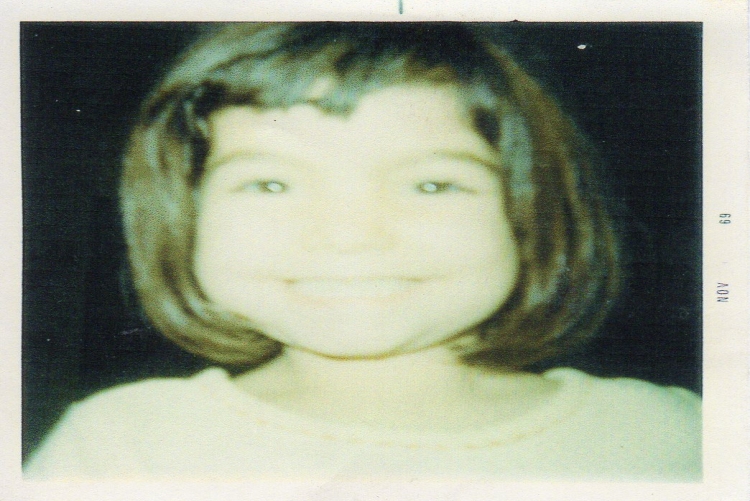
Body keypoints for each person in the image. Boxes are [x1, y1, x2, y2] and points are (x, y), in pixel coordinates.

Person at [24, 22, 700, 481]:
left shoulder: (673, 435)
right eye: (270, 183)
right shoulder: (120, 446)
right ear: (187, 215)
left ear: (529, 213)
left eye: (432, 184)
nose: (349, 234)